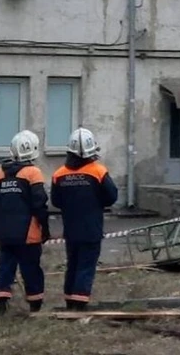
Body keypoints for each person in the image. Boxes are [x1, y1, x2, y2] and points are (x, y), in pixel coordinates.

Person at [51, 127, 118, 310]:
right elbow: (112, 196)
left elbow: (56, 201)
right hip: (92, 228)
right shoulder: (98, 171)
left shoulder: (59, 174)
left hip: (70, 229)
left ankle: (69, 300)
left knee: (72, 264)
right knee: (86, 265)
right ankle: (80, 303)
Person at [0, 130, 50, 319]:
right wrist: (45, 228)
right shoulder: (33, 173)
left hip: (6, 234)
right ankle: (35, 306)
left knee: (5, 268)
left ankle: (0, 305)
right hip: (28, 234)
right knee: (31, 269)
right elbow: (40, 203)